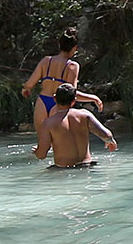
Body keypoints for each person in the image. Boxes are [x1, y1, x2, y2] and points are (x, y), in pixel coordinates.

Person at [21, 28, 101, 156]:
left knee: (42, 147)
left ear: (59, 45)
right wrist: (93, 98)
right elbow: (71, 94)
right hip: (57, 105)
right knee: (58, 147)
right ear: (74, 48)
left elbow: (29, 84)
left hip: (42, 102)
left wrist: (25, 90)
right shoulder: (72, 66)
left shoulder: (46, 61)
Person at [35, 85, 118, 168]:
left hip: (63, 170)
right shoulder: (85, 115)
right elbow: (107, 135)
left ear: (55, 99)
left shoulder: (49, 123)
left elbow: (41, 155)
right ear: (74, 101)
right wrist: (109, 141)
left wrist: (37, 151)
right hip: (87, 166)